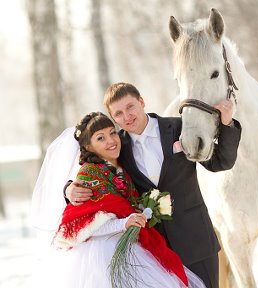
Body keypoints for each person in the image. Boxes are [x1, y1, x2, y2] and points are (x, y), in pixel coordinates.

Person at [65, 83, 242, 288]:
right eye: (119, 113)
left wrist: (227, 124)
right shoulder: (117, 146)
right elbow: (93, 169)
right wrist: (68, 188)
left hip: (196, 240)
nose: (127, 116)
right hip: (155, 251)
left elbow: (220, 162)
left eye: (130, 107)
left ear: (141, 102)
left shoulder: (179, 127)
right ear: (114, 118)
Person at [32, 112, 206, 288]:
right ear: (88, 146)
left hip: (133, 247)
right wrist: (123, 224)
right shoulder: (90, 173)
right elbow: (88, 226)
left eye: (112, 133)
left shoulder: (122, 166)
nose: (111, 141)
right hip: (102, 256)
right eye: (101, 138)